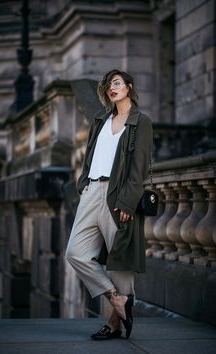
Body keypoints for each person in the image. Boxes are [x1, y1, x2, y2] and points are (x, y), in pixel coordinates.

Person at [66, 69, 153, 340]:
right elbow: (90, 155)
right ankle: (117, 299)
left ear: (129, 86)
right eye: (107, 86)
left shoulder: (141, 122)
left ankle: (114, 326)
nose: (111, 88)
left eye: (116, 83)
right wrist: (84, 184)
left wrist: (127, 202)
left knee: (121, 264)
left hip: (118, 196)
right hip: (92, 192)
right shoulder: (101, 119)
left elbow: (139, 169)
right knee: (76, 252)